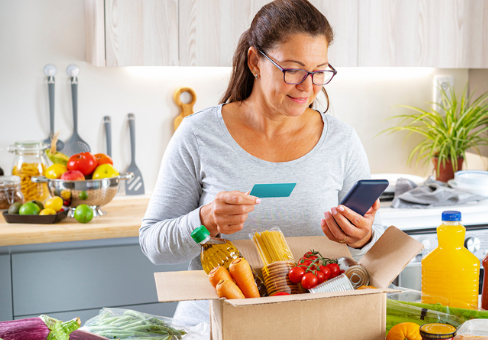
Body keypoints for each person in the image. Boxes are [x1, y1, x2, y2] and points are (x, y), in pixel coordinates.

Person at [139, 0, 385, 326]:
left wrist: (362, 238)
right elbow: (154, 245)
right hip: (214, 324)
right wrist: (205, 222)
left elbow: (371, 252)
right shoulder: (199, 134)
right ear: (255, 61)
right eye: (293, 69)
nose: (308, 86)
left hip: (313, 324)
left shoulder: (341, 140)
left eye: (319, 71)